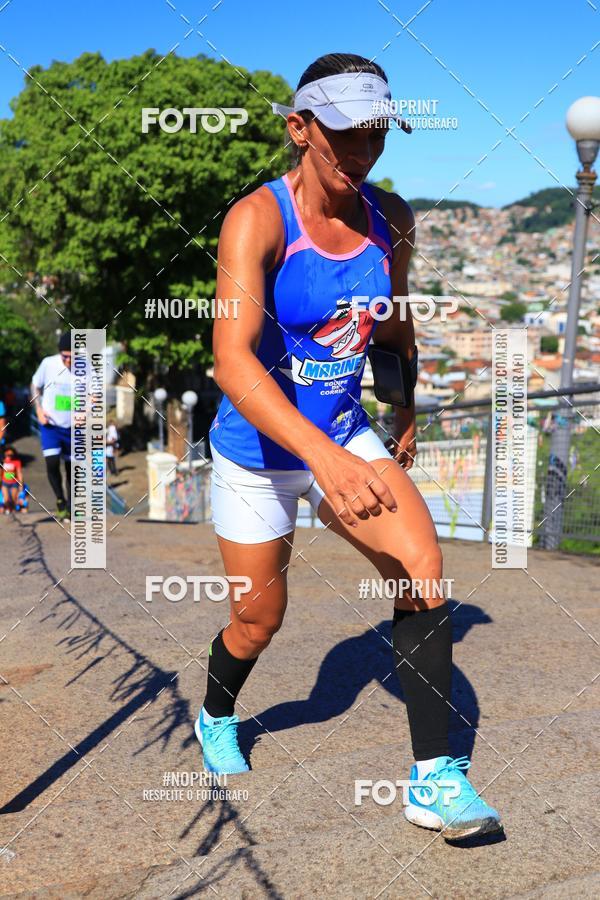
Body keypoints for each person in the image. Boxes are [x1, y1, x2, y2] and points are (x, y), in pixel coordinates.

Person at [198, 53, 502, 842]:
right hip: (255, 451)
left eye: (376, 134)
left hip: (340, 430)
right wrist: (323, 462)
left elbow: (393, 324)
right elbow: (232, 361)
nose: (362, 153)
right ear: (299, 128)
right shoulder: (258, 220)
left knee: (422, 566)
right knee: (258, 620)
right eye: (344, 135)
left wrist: (402, 402)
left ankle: (434, 781)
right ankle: (216, 714)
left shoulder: (391, 217)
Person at [31, 333, 73, 521]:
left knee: (72, 469)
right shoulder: (48, 364)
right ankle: (60, 499)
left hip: (73, 427)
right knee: (52, 462)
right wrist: (38, 409)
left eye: (73, 357)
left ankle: (72, 506)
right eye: (65, 356)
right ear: (59, 354)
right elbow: (34, 386)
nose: (68, 361)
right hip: (51, 425)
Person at [1, 446, 23, 515]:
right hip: (5, 483)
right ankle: (8, 510)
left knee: (13, 499)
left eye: (11, 455)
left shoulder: (17, 462)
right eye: (7, 455)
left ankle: (12, 511)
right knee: (6, 499)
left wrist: (21, 483)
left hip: (14, 483)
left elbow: (19, 473)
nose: (9, 456)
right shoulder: (2, 461)